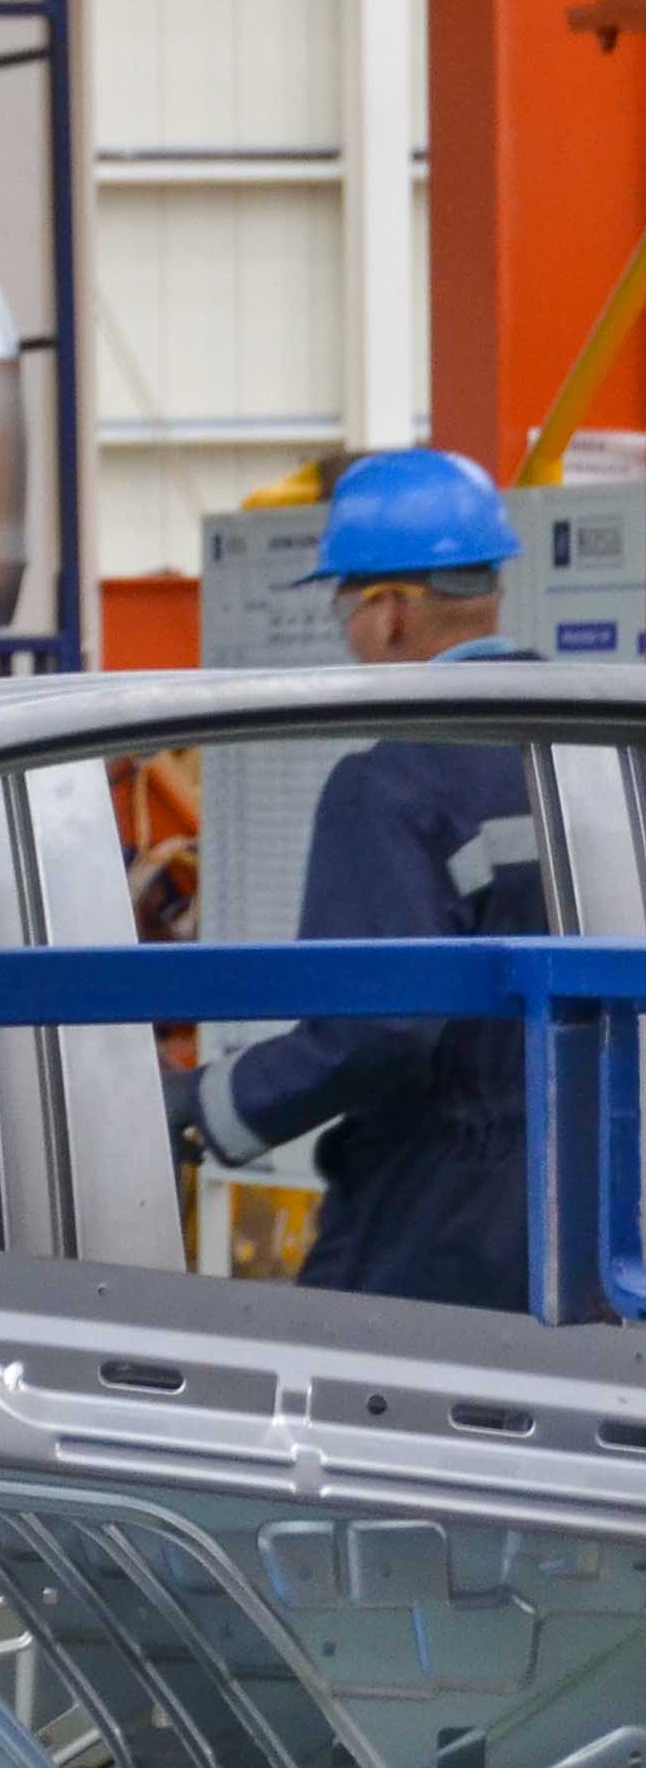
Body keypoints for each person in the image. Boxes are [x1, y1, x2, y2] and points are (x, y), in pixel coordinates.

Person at [165, 446, 544, 1310]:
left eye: (347, 608)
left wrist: (209, 1106)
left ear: (390, 613)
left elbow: (375, 1027)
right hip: (598, 1197)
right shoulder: (602, 749)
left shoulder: (390, 786)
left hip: (435, 1215)